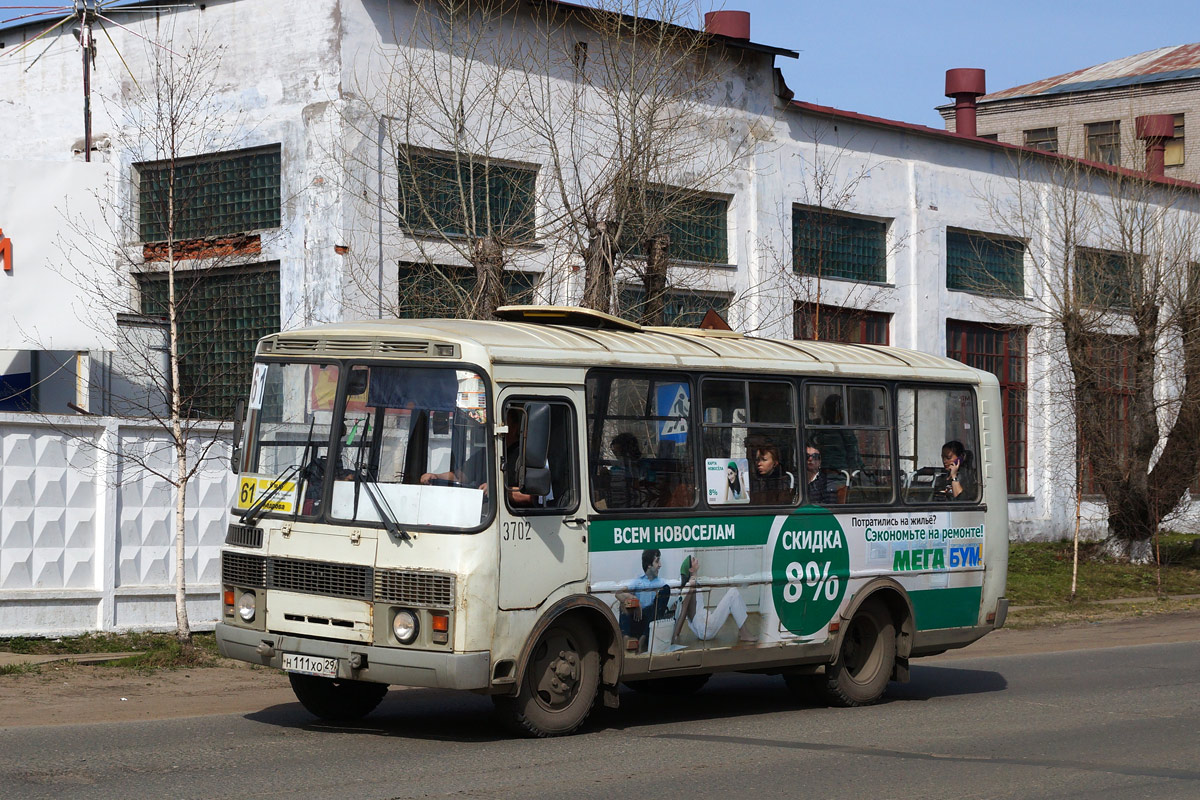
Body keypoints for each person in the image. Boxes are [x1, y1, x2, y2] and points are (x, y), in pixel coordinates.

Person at [671, 554, 755, 644]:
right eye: (694, 560)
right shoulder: (691, 585)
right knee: (733, 592)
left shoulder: (695, 582)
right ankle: (744, 633)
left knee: (733, 593)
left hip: (704, 626)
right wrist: (675, 636)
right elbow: (683, 611)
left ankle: (742, 629)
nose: (697, 560)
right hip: (705, 628)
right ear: (690, 569)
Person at [615, 548, 672, 649]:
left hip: (651, 622)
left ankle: (643, 639)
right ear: (649, 565)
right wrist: (634, 600)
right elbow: (618, 593)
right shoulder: (638, 581)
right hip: (638, 619)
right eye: (657, 561)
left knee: (665, 590)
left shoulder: (661, 583)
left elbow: (659, 608)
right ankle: (626, 640)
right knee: (624, 603)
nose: (660, 565)